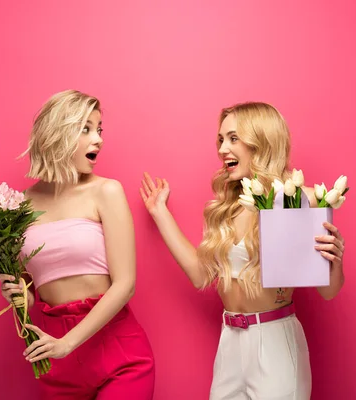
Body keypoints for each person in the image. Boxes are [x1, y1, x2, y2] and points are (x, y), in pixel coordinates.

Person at [140, 101, 345, 400]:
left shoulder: (299, 199)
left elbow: (328, 291)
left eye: (234, 138)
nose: (223, 148)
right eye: (221, 140)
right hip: (230, 341)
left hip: (273, 340)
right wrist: (160, 213)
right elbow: (200, 276)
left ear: (261, 141)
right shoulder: (228, 207)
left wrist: (335, 260)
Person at [0, 90, 155, 400]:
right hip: (55, 361)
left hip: (119, 354)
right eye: (85, 128)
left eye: (99, 129)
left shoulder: (106, 192)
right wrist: (16, 295)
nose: (98, 139)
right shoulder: (21, 207)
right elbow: (29, 295)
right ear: (57, 133)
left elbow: (125, 285)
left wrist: (68, 342)